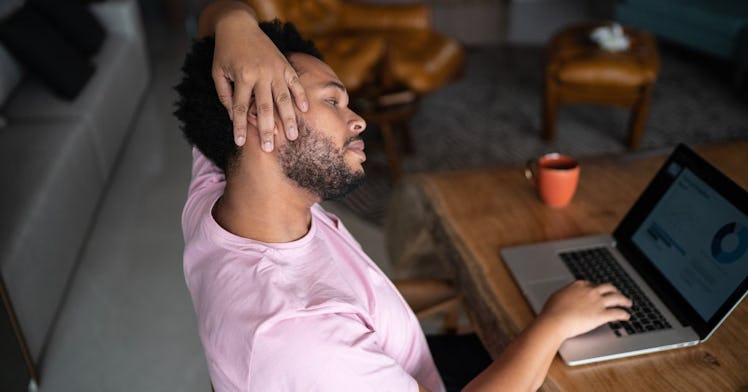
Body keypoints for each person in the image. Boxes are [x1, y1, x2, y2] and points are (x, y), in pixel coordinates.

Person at [176, 4, 633, 392]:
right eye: (333, 102)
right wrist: (553, 323)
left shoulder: (225, 184)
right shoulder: (298, 338)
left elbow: (213, 30)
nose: (358, 121)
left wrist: (236, 21)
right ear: (258, 116)